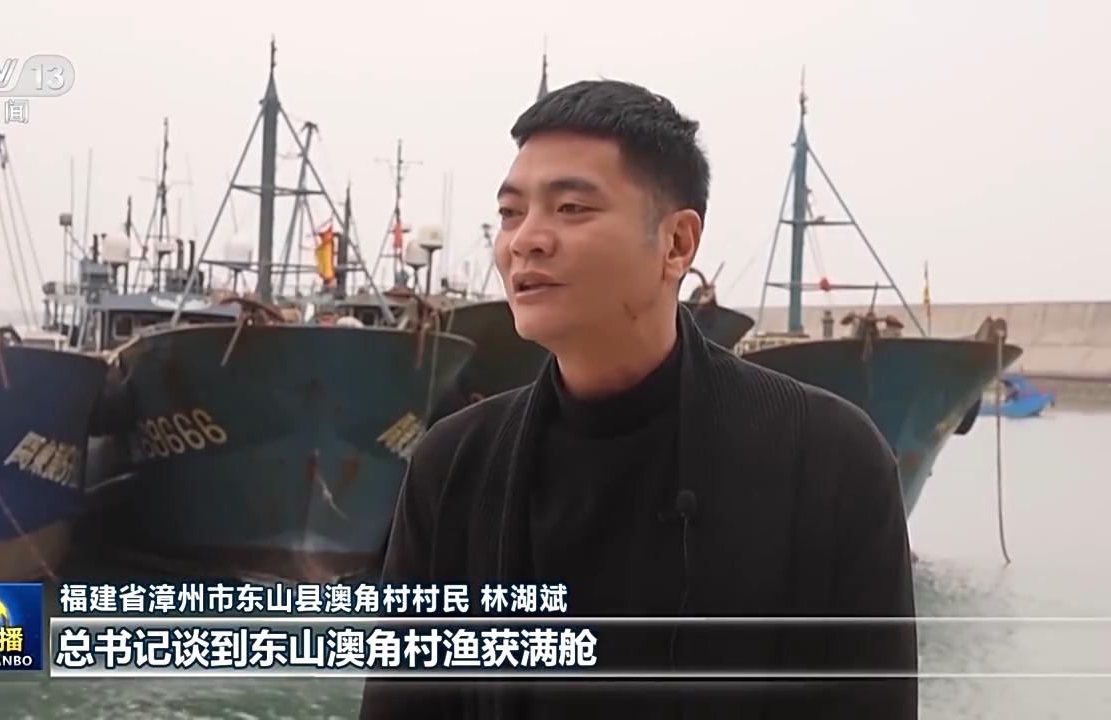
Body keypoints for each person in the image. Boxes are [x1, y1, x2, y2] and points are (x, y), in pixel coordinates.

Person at [358, 79, 917, 720]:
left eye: (571, 208)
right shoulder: (456, 464)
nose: (525, 240)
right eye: (511, 213)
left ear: (677, 244)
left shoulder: (829, 458)